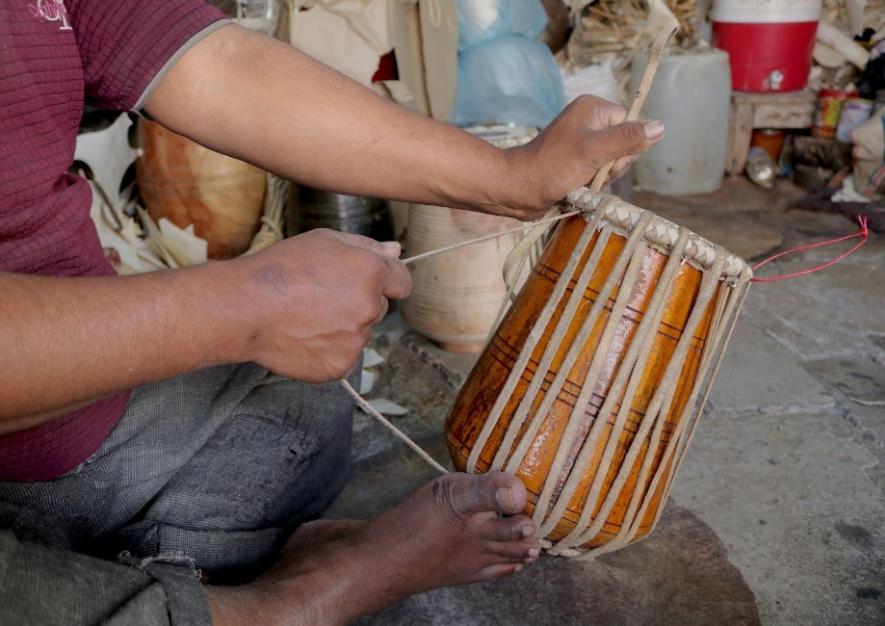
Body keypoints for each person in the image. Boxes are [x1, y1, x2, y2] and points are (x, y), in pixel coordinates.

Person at [0, 1, 664, 623]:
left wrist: (511, 178)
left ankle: (121, 573)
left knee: (304, 408)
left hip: (81, 409)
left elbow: (216, 66)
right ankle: (290, 602)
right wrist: (245, 307)